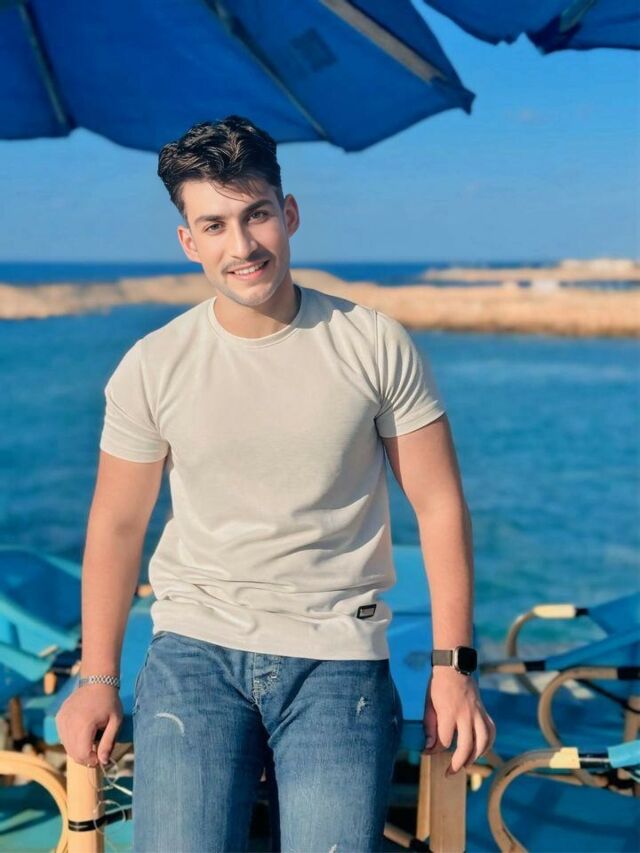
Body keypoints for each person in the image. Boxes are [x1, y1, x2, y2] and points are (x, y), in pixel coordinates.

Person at [56, 114, 496, 852]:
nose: (242, 246)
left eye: (256, 214)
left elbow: (440, 503)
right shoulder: (152, 365)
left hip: (339, 655)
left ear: (288, 213)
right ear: (188, 241)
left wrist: (454, 667)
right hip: (194, 649)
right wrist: (96, 678)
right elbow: (117, 525)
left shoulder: (373, 343)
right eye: (215, 225)